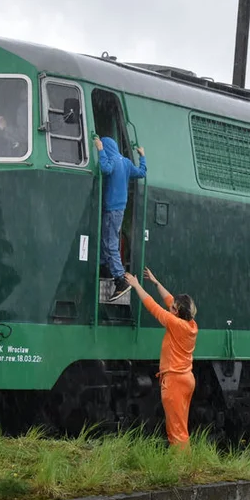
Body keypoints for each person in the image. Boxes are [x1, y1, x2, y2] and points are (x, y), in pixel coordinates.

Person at [124, 268, 198, 447]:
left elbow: (153, 307)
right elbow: (169, 300)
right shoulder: (190, 324)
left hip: (174, 382)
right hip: (186, 379)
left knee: (176, 430)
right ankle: (184, 464)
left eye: (173, 307)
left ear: (176, 312)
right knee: (181, 426)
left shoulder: (174, 323)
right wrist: (156, 282)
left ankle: (181, 468)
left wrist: (137, 286)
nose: (170, 306)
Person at [95, 136, 146, 300]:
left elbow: (105, 168)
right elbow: (142, 172)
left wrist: (100, 149)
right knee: (108, 238)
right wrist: (142, 156)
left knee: (110, 243)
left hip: (111, 207)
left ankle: (120, 279)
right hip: (121, 207)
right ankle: (105, 268)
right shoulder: (125, 162)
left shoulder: (112, 161)